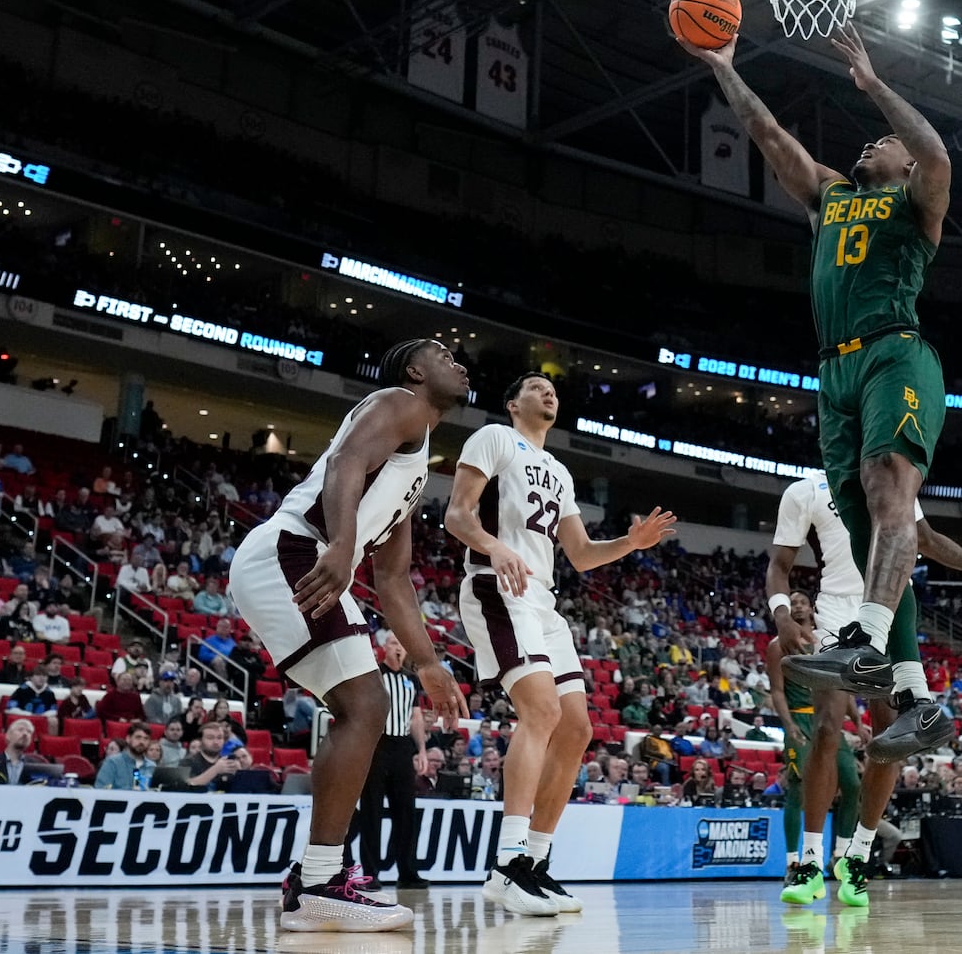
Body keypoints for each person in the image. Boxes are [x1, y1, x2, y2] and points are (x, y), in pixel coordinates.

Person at [682, 23, 955, 760]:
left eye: (881, 143)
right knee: (869, 534)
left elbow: (934, 152)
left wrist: (875, 86)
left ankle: (866, 638)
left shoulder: (917, 205)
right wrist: (724, 68)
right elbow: (768, 134)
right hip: (832, 372)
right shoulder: (831, 196)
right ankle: (918, 698)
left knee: (887, 488)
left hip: (894, 352)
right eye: (867, 138)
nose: (870, 144)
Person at [227, 339, 470, 931]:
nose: (459, 361)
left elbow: (392, 577)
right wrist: (339, 545)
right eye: (442, 354)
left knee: (363, 705)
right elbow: (341, 466)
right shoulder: (398, 403)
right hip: (294, 548)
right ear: (415, 371)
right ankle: (319, 880)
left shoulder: (414, 457)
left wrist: (429, 663)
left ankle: (315, 883)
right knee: (364, 704)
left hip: (302, 553)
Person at [446, 370, 676, 916]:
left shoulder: (559, 471)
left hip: (543, 600)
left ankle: (537, 862)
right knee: (542, 712)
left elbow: (581, 555)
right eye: (533, 385)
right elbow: (458, 514)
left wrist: (630, 542)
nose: (548, 390)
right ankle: (507, 863)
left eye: (553, 387)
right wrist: (493, 548)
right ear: (511, 402)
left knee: (578, 727)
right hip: (497, 585)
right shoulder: (494, 438)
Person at [765, 469, 962, 905]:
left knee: (890, 740)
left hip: (889, 609)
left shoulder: (890, 475)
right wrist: (781, 615)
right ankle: (809, 863)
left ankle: (856, 857)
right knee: (827, 730)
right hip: (835, 612)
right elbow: (779, 564)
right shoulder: (805, 489)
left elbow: (924, 538)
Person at [768, 591, 864, 906]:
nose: (796, 606)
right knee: (798, 789)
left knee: (851, 783)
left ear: (811, 608)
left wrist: (859, 723)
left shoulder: (828, 640)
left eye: (800, 602)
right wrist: (788, 725)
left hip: (830, 720)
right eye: (791, 602)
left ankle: (840, 854)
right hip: (799, 720)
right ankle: (794, 861)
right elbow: (778, 691)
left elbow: (844, 690)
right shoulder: (776, 645)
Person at [355, 633, 428, 891]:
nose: (398, 648)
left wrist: (421, 750)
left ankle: (407, 871)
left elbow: (416, 718)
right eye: (393, 643)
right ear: (383, 648)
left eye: (401, 644)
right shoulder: (375, 676)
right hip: (377, 745)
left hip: (402, 747)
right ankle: (370, 873)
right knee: (372, 811)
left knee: (406, 812)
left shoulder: (411, 680)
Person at [95, 721, 157, 790]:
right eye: (138, 737)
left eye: (146, 738)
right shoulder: (112, 762)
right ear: (128, 739)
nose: (142, 742)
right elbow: (101, 789)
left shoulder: (151, 766)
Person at [0, 719, 41, 785]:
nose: (25, 734)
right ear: (8, 735)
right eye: (20, 730)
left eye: (29, 732)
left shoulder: (37, 766)